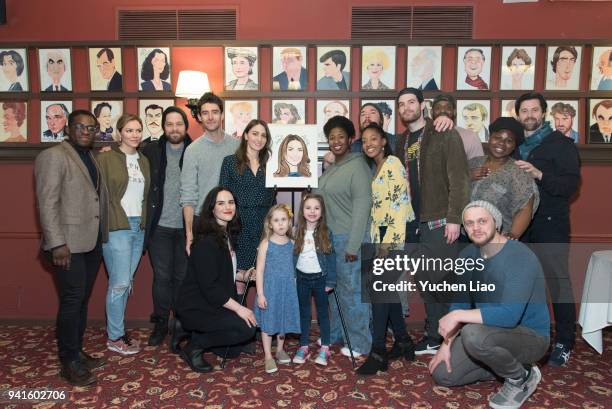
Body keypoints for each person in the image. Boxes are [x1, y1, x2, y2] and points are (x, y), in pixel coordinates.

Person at [429, 201, 550, 409]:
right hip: (492, 332)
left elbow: (509, 315)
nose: (476, 228)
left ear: (496, 222)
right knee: (443, 375)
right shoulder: (467, 255)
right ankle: (504, 365)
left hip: (531, 336)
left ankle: (521, 377)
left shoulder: (520, 256)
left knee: (473, 335)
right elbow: (460, 301)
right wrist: (446, 344)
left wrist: (458, 316)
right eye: (469, 223)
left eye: (482, 221)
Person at [34, 109, 108, 386]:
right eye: (81, 127)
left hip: (90, 242)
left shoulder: (90, 156)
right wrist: (57, 244)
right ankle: (68, 362)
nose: (86, 132)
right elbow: (47, 203)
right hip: (66, 246)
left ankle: (77, 352)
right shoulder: (53, 156)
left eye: (92, 127)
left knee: (80, 301)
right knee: (71, 301)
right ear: (68, 129)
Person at [395, 87, 469, 355]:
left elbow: (460, 178)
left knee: (443, 281)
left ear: (422, 105)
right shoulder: (400, 141)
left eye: (411, 102)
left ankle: (450, 337)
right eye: (401, 104)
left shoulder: (443, 133)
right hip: (412, 221)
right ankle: (433, 333)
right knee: (425, 281)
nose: (406, 108)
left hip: (439, 220)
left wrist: (455, 218)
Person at [514, 92, 580, 366]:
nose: (529, 115)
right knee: (526, 285)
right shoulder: (516, 145)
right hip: (522, 225)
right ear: (518, 115)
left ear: (543, 113)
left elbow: (570, 186)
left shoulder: (560, 144)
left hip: (551, 224)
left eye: (534, 110)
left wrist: (539, 174)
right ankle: (532, 338)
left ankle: (565, 341)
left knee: (558, 283)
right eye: (524, 111)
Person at [176, 187, 257, 373]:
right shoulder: (206, 242)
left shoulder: (226, 234)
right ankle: (193, 347)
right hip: (197, 305)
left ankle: (183, 330)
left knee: (233, 351)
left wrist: (243, 275)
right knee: (246, 329)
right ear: (212, 209)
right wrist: (240, 309)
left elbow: (223, 271)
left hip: (212, 301)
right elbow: (209, 287)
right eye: (221, 203)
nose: (227, 207)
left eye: (231, 202)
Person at [356, 123, 416, 375]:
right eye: (365, 140)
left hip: (393, 237)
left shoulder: (392, 164)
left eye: (374, 139)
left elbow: (399, 207)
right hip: (380, 235)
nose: (369, 143)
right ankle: (403, 341)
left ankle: (378, 352)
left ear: (383, 141)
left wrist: (385, 244)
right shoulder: (375, 167)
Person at [314, 115, 373, 358]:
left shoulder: (358, 165)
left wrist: (353, 245)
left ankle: (360, 343)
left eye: (341, 136)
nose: (336, 141)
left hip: (350, 238)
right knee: (335, 292)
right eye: (331, 137)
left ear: (350, 139)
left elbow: (363, 206)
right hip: (330, 239)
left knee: (353, 293)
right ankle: (338, 333)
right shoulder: (333, 167)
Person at [96, 113, 150, 355]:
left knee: (125, 282)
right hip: (117, 225)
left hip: (139, 227)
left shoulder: (143, 160)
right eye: (129, 130)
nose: (135, 134)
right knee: (119, 284)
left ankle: (117, 332)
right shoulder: (106, 158)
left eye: (138, 130)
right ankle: (115, 337)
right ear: (119, 133)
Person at [142, 106, 193, 349]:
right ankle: (161, 322)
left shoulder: (195, 150)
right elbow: (126, 156)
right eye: (169, 124)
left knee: (182, 278)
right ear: (163, 127)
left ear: (186, 126)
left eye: (179, 124)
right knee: (162, 277)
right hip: (159, 227)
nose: (174, 128)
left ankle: (181, 324)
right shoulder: (150, 150)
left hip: (186, 227)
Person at [219, 119, 275, 295]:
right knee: (239, 278)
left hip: (264, 227)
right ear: (245, 136)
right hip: (238, 226)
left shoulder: (272, 164)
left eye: (263, 135)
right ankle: (238, 320)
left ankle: (263, 320)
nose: (259, 139)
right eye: (255, 133)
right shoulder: (230, 162)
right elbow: (222, 195)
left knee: (264, 276)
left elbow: (273, 198)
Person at [181, 92, 240, 255]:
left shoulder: (237, 146)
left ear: (222, 115)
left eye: (214, 112)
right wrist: (189, 234)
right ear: (199, 117)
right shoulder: (193, 150)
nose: (210, 117)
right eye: (205, 113)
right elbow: (188, 194)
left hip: (232, 220)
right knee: (208, 275)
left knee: (234, 274)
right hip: (204, 222)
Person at [469, 117, 539, 240]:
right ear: (489, 138)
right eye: (497, 137)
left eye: (509, 141)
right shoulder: (473, 163)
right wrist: (466, 177)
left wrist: (512, 235)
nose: (501, 143)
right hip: (464, 234)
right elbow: (449, 189)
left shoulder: (518, 172)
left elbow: (525, 208)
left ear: (514, 146)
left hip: (498, 238)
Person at [253, 204, 301, 373]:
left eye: (284, 220)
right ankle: (268, 356)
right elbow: (259, 270)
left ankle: (280, 349)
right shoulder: (266, 244)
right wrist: (260, 294)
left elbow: (295, 268)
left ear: (289, 222)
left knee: (283, 320)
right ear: (270, 224)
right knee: (268, 322)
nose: (280, 224)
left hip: (287, 290)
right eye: (276, 220)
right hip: (270, 290)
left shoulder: (293, 243)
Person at [292, 193, 336, 366]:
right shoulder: (296, 231)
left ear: (322, 212)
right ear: (302, 211)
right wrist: (293, 277)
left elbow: (331, 257)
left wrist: (331, 281)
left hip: (320, 279)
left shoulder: (326, 232)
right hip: (301, 278)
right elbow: (292, 256)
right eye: (308, 208)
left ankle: (325, 347)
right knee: (304, 313)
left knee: (323, 314)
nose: (312, 211)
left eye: (316, 208)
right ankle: (303, 345)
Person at [431, 94, 484, 161]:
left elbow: (478, 168)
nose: (443, 111)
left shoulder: (470, 136)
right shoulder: (424, 135)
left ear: (454, 112)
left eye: (448, 108)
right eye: (438, 108)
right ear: (431, 112)